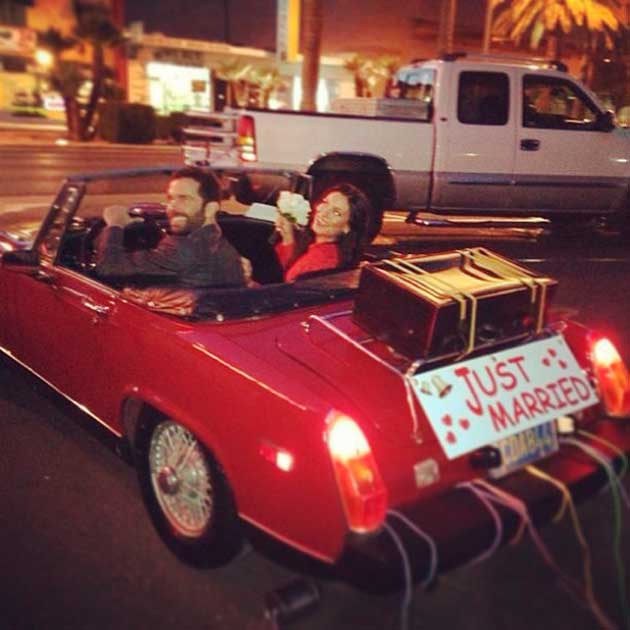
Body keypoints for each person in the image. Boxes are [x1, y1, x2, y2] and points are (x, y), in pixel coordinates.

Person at [95, 167, 245, 288]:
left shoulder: (184, 249)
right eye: (170, 198)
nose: (172, 207)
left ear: (211, 209)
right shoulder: (226, 249)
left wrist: (115, 224)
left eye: (184, 199)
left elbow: (109, 268)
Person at [274, 183, 371, 282]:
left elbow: (285, 286)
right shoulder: (318, 248)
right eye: (325, 202)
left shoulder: (324, 260)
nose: (323, 213)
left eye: (336, 212)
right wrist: (287, 236)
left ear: (347, 227)